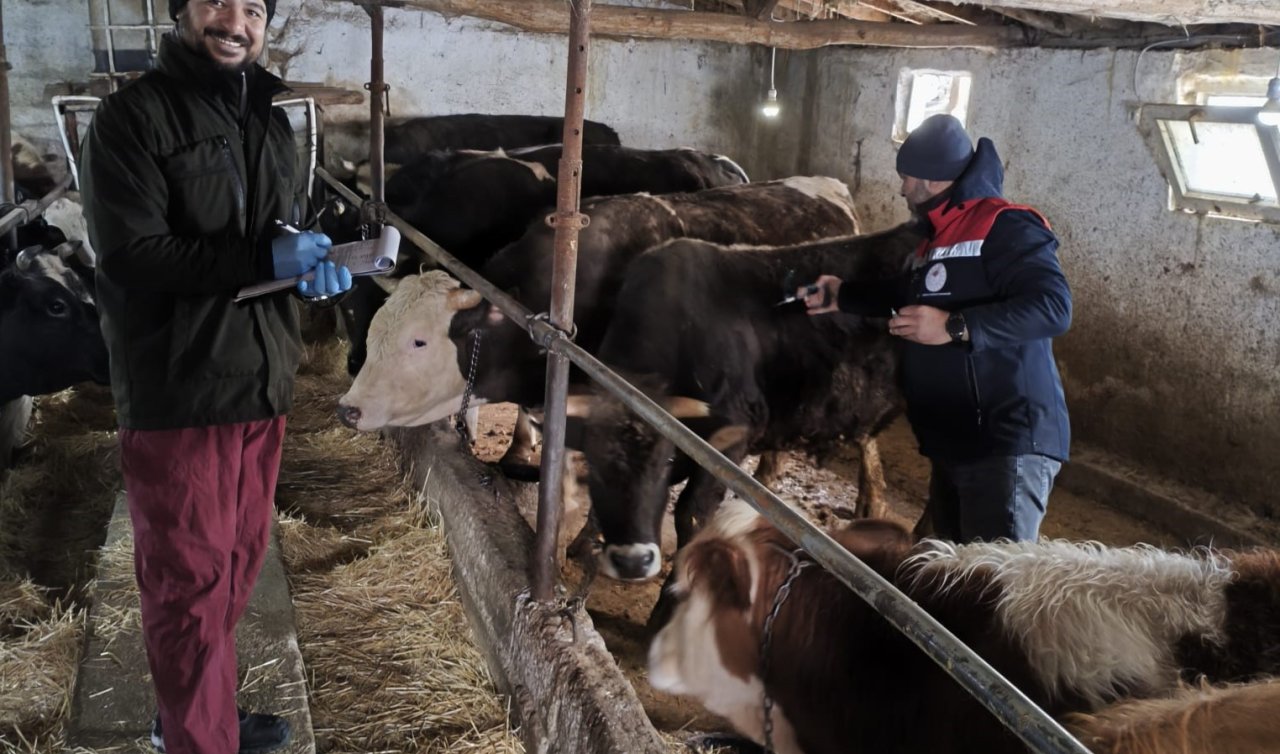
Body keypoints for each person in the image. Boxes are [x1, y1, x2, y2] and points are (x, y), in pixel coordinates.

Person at [78, 1, 351, 752]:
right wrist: (266, 260)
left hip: (261, 376)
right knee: (188, 585)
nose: (235, 19)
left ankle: (199, 720)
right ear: (180, 13)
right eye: (216, 2)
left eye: (254, 7)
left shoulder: (269, 117)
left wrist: (308, 270)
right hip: (180, 383)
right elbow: (134, 255)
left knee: (234, 568)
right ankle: (201, 741)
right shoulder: (131, 120)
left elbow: (270, 233)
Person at [802, 113, 1071, 543]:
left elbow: (1053, 307)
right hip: (956, 439)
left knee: (991, 585)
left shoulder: (1007, 225)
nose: (903, 188)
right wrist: (842, 295)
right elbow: (907, 293)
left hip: (1005, 441)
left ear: (932, 179)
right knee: (953, 582)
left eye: (907, 177)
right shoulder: (937, 239)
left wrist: (955, 326)